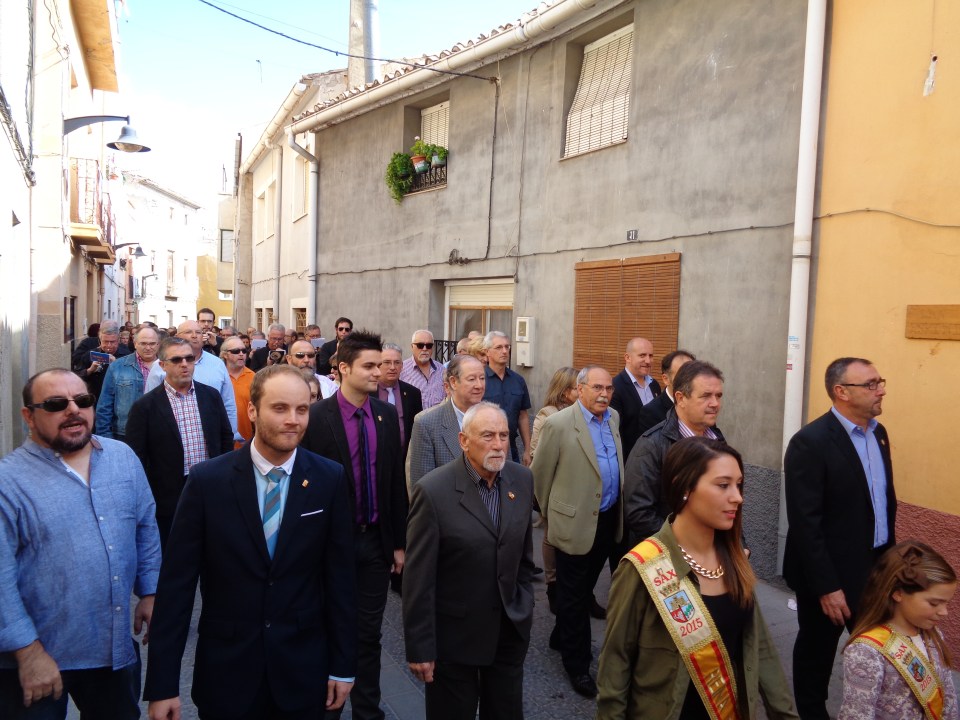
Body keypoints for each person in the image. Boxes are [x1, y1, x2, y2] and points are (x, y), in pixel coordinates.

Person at [143, 365, 358, 720]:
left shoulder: (328, 478)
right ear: (253, 411)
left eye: (302, 409)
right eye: (280, 408)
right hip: (227, 674)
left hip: (303, 671)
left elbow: (340, 581)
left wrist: (342, 665)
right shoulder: (207, 482)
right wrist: (163, 685)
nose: (293, 420)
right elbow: (177, 587)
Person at [596, 437, 798, 719]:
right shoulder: (643, 567)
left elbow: (760, 649)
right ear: (685, 487)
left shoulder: (736, 560)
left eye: (739, 485)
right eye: (723, 485)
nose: (737, 497)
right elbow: (615, 668)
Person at [0, 369, 160, 719]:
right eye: (57, 404)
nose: (73, 410)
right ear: (29, 416)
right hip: (38, 660)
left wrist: (149, 591)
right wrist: (27, 652)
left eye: (82, 400)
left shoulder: (122, 458)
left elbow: (146, 526)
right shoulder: (8, 481)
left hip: (112, 650)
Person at [403, 403, 535, 720]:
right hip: (454, 641)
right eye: (488, 435)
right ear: (464, 440)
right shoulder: (433, 491)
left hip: (507, 632)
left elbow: (524, 557)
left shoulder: (521, 479)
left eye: (504, 435)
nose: (499, 444)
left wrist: (524, 604)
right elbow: (418, 579)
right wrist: (420, 648)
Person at [300, 330, 407, 720]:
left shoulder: (386, 415)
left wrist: (398, 543)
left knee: (368, 635)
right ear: (343, 368)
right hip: (330, 547)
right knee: (328, 628)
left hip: (375, 544)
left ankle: (367, 711)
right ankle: (326, 708)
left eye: (381, 365)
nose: (379, 372)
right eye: (370, 366)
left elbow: (394, 481)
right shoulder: (316, 418)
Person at [784, 357, 896, 719]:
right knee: (817, 651)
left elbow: (881, 501)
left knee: (877, 648)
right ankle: (813, 713)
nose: (880, 389)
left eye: (880, 381)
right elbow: (805, 522)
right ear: (841, 391)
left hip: (875, 567)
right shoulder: (810, 442)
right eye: (871, 384)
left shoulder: (879, 433)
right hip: (828, 574)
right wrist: (827, 586)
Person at [531, 365, 625, 698]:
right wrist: (552, 515)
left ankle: (561, 635)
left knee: (582, 587)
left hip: (606, 519)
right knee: (573, 594)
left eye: (609, 388)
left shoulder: (612, 417)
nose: (604, 394)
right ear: (580, 389)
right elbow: (540, 476)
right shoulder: (557, 424)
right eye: (597, 387)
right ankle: (578, 664)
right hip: (572, 522)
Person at [127, 337, 234, 547]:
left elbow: (224, 436)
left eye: (189, 358)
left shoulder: (210, 395)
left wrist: (223, 475)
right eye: (176, 360)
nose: (184, 364)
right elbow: (137, 456)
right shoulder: (145, 407)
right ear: (162, 365)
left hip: (210, 485)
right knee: (174, 551)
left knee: (213, 547)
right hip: (168, 495)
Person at [838, 541, 958, 720]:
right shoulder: (866, 651)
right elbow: (856, 714)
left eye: (946, 602)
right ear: (898, 593)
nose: (944, 612)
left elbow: (947, 697)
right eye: (934, 603)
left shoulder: (933, 636)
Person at [624, 360, 726, 546]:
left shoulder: (717, 440)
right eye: (705, 396)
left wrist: (739, 544)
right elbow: (639, 513)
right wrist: (686, 543)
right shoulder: (651, 445)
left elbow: (728, 501)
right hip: (670, 559)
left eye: (718, 396)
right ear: (680, 398)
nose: (715, 404)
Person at [529, 366, 578, 614]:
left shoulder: (583, 413)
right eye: (576, 387)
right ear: (565, 390)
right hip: (556, 484)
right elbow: (537, 454)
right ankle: (552, 584)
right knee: (551, 533)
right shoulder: (546, 415)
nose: (581, 391)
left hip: (577, 485)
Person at [145, 319, 242, 443]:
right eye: (188, 332)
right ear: (177, 336)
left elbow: (228, 402)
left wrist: (231, 434)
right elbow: (150, 404)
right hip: (170, 438)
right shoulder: (160, 365)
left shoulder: (217, 364)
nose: (194, 336)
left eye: (198, 332)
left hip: (211, 438)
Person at [407, 354, 486, 488]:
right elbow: (421, 487)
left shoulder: (495, 418)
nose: (479, 385)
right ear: (453, 382)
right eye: (472, 379)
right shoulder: (427, 423)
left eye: (482, 378)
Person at [95, 325, 161, 441]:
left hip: (159, 434)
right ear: (135, 344)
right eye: (143, 343)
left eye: (152, 343)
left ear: (158, 344)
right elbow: (104, 405)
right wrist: (105, 438)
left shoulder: (169, 367)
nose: (148, 347)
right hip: (124, 434)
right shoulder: (117, 367)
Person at [482, 331, 533, 465]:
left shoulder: (518, 380)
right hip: (485, 447)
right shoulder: (479, 380)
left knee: (511, 484)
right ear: (487, 352)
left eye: (507, 347)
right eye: (499, 347)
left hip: (511, 448)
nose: (504, 351)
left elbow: (523, 415)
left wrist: (527, 449)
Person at [611, 337, 660, 460]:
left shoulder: (654, 385)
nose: (648, 361)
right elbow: (615, 430)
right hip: (630, 459)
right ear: (627, 357)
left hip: (655, 456)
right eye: (642, 355)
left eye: (651, 356)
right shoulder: (615, 387)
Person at [373, 343, 423, 462]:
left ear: (402, 365)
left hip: (404, 460)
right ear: (378, 365)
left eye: (397, 362)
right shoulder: (367, 393)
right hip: (375, 460)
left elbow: (416, 429)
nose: (392, 367)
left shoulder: (413, 393)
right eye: (387, 362)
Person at [634, 350, 696, 438]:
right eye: (681, 375)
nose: (688, 380)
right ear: (665, 379)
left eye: (692, 374)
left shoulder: (700, 405)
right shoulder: (651, 413)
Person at [72, 320, 132, 400]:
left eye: (112, 342)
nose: (109, 345)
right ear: (100, 340)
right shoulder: (90, 354)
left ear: (118, 341)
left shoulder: (127, 354)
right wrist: (90, 370)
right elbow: (76, 377)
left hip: (118, 398)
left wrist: (116, 364)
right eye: (106, 342)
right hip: (96, 398)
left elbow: (132, 378)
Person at [220, 336, 255, 447]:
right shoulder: (218, 376)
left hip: (246, 442)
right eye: (236, 351)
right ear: (225, 355)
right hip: (222, 441)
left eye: (244, 351)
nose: (241, 354)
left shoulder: (254, 377)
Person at [400, 329, 446, 410]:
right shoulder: (402, 369)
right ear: (412, 346)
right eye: (420, 345)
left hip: (437, 421)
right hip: (412, 421)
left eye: (429, 345)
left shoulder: (442, 370)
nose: (424, 349)